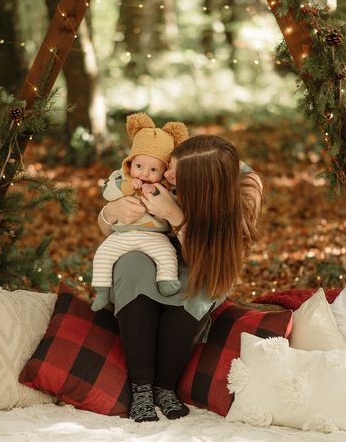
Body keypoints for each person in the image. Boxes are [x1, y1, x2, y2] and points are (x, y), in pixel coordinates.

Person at [96, 134, 262, 422]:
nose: (166, 175)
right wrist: (109, 212)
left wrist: (175, 215)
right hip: (153, 252)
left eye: (176, 173)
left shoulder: (244, 193)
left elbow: (213, 266)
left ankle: (165, 386)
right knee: (131, 265)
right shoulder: (188, 157)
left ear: (201, 184)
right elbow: (113, 230)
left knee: (198, 292)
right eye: (169, 166)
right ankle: (142, 388)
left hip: (203, 261)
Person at [91, 113, 189, 311]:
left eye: (153, 170)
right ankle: (101, 292)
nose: (144, 173)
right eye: (139, 166)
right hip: (123, 234)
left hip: (155, 236)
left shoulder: (166, 187)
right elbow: (107, 192)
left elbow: (175, 205)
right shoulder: (121, 178)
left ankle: (166, 281)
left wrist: (154, 191)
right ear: (130, 163)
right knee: (103, 254)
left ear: (164, 170)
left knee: (166, 254)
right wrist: (127, 188)